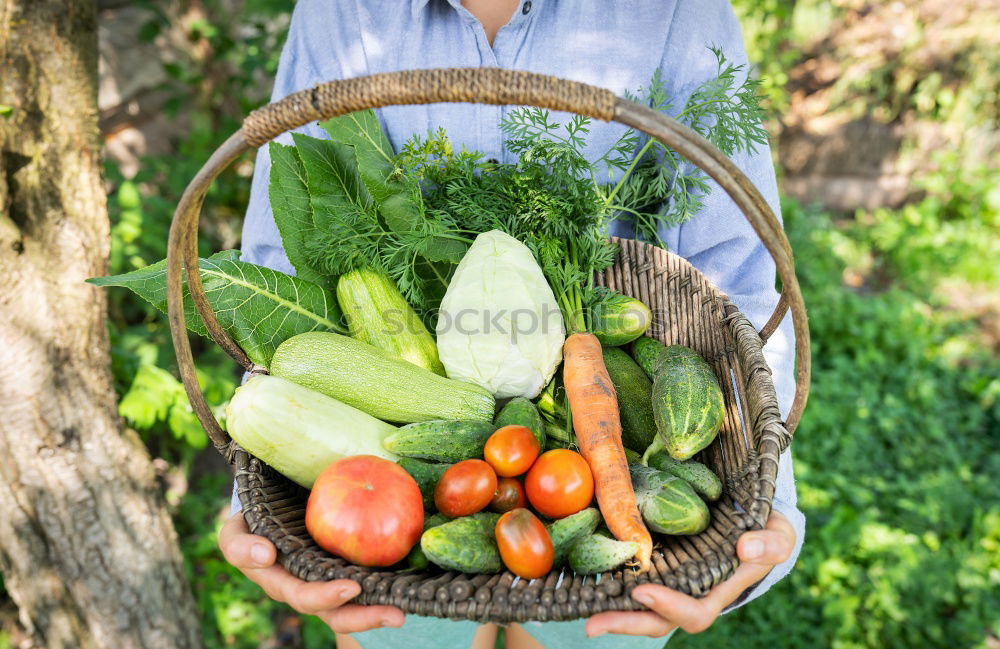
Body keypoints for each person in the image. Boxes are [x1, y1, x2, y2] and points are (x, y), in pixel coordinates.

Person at [219, 1, 805, 647]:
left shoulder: (676, 11)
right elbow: (282, 253)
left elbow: (738, 286)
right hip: (379, 506)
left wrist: (767, 497)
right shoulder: (341, 9)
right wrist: (261, 465)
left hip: (591, 451)